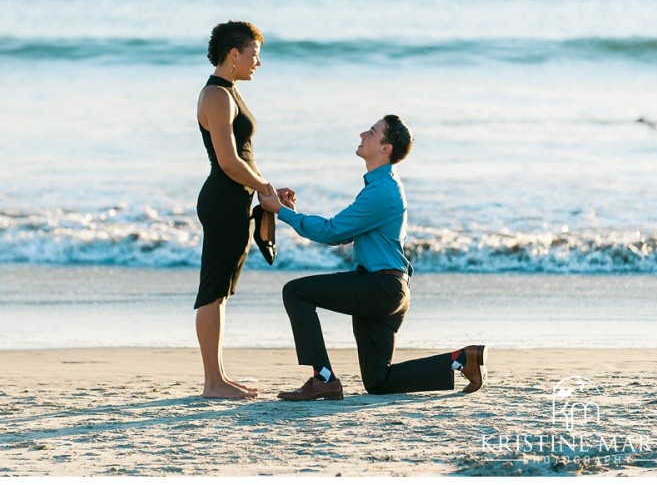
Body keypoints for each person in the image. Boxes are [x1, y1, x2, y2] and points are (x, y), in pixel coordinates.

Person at [257, 115, 486, 401]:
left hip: (380, 288)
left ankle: (323, 379)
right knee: (378, 382)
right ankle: (462, 359)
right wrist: (289, 211)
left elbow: (332, 231)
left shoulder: (382, 190)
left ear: (385, 148)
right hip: (386, 290)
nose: (363, 133)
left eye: (372, 132)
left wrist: (282, 211)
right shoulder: (381, 186)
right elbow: (341, 234)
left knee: (296, 292)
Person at [194, 20, 286, 399]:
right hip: (222, 199)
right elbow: (229, 161)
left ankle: (218, 378)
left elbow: (242, 159)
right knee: (212, 290)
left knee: (220, 293)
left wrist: (267, 189)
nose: (257, 64)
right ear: (234, 54)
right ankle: (212, 382)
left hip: (235, 199)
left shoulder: (229, 92)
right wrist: (262, 186)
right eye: (254, 55)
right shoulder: (216, 96)